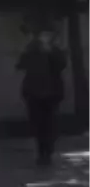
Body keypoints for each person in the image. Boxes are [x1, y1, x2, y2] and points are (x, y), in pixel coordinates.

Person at [17, 28, 67, 167]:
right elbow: (20, 65)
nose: (45, 38)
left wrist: (51, 51)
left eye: (48, 35)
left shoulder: (55, 50)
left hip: (51, 94)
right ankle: (41, 152)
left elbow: (62, 65)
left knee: (50, 124)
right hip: (34, 93)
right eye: (43, 35)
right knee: (38, 124)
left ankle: (48, 151)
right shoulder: (31, 50)